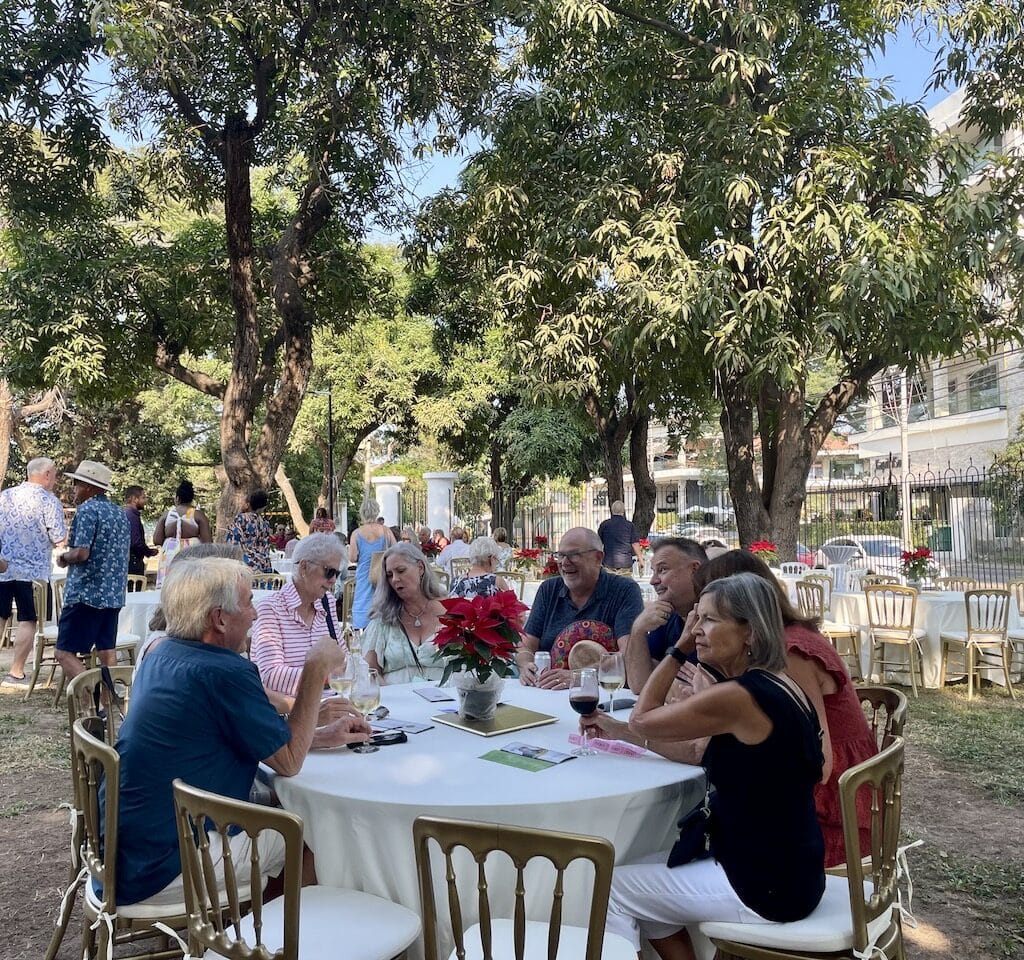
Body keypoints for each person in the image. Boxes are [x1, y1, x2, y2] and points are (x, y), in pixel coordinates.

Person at [587, 548, 877, 867]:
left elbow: (819, 765)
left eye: (708, 613)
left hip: (827, 816)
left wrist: (684, 663)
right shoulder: (763, 653)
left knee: (632, 864)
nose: (695, 619)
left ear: (744, 615)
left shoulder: (789, 652)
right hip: (787, 821)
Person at [108, 557, 370, 908]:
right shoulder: (226, 672)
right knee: (324, 836)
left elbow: (244, 738)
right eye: (248, 603)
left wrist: (320, 734)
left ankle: (254, 926)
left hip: (123, 845)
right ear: (219, 619)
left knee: (283, 809)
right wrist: (314, 667)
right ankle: (275, 939)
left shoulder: (161, 652)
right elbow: (289, 762)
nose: (255, 614)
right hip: (166, 862)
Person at [605, 573, 825, 958]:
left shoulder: (739, 697)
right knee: (644, 871)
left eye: (708, 620)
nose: (696, 631)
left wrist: (677, 648)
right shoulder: (782, 684)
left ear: (750, 633)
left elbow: (641, 718)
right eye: (696, 619)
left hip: (765, 885)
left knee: (611, 888)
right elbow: (695, 750)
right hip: (795, 869)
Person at [517, 527, 642, 689]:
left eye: (574, 555)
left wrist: (580, 676)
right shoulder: (548, 590)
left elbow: (629, 654)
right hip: (546, 693)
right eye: (560, 555)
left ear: (598, 558)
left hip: (602, 696)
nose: (564, 562)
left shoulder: (624, 590)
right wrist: (526, 665)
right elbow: (526, 645)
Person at [53, 460, 130, 683]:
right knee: (107, 651)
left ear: (88, 486)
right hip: (113, 595)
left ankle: (89, 701)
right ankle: (107, 708)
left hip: (86, 594)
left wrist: (63, 558)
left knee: (64, 652)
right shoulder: (119, 513)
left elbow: (81, 553)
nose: (74, 488)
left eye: (76, 483)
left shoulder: (87, 511)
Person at [251, 533, 348, 705]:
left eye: (337, 573)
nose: (333, 580)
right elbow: (271, 676)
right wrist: (325, 675)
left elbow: (344, 659)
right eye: (329, 572)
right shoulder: (271, 609)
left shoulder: (327, 603)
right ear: (304, 567)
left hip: (332, 706)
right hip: (292, 715)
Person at [0, 457, 67, 687]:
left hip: (3, 567)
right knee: (28, 619)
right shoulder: (49, 501)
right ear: (47, 474)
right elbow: (59, 538)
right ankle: (16, 671)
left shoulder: (5, 496)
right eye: (55, 475)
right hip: (34, 572)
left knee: (1, 615)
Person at [625, 537, 708, 692]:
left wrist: (662, 682)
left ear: (695, 570)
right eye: (653, 572)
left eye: (662, 570)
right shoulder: (667, 615)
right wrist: (638, 630)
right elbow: (639, 685)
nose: (653, 581)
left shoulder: (719, 621)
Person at [364, 542, 448, 683]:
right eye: (389, 575)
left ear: (420, 568)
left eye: (401, 570)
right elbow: (370, 670)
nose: (395, 579)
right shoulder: (383, 618)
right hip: (395, 702)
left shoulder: (450, 612)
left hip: (447, 701)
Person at [349, 498, 396, 629]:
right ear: (376, 512)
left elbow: (352, 557)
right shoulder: (386, 531)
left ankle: (363, 631)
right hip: (382, 575)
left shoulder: (357, 533)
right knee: (383, 601)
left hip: (364, 575)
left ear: (362, 513)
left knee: (363, 604)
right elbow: (396, 551)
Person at [153, 479, 212, 585]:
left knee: (170, 585)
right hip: (192, 556)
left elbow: (157, 540)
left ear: (177, 498)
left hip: (170, 557)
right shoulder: (197, 515)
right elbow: (207, 542)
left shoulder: (167, 515)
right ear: (191, 499)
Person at [225, 489, 274, 573]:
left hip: (244, 567)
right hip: (264, 567)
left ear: (249, 504)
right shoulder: (265, 524)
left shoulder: (240, 519)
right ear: (263, 507)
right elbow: (266, 547)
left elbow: (232, 544)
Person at [597, 500, 643, 574]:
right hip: (625, 564)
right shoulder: (629, 525)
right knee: (625, 584)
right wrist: (641, 560)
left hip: (609, 563)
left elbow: (598, 543)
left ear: (612, 510)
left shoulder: (604, 525)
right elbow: (635, 544)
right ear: (623, 510)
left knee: (609, 585)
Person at [124, 485, 157, 577]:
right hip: (133, 562)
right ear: (134, 499)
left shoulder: (129, 514)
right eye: (143, 497)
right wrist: (149, 552)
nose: (145, 501)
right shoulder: (131, 516)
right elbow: (135, 542)